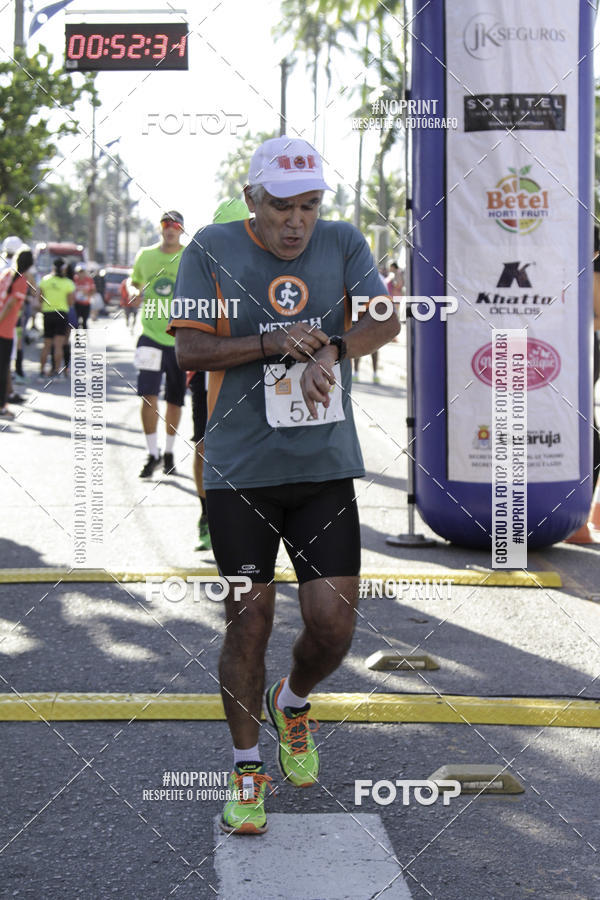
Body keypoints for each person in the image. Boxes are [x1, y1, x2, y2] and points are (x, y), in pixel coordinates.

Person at [170, 136, 399, 835]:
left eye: (308, 206)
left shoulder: (343, 242)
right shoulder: (208, 247)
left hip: (324, 467)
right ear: (252, 201)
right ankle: (246, 768)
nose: (296, 221)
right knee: (250, 620)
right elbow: (190, 349)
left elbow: (385, 318)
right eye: (281, 207)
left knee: (333, 627)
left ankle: (292, 702)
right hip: (240, 473)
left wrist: (332, 344)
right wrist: (276, 341)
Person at [190, 197, 250, 551]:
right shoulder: (200, 267)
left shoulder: (268, 264)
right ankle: (206, 513)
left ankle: (248, 519)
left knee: (251, 445)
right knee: (204, 444)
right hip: (208, 373)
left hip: (255, 370)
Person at [130, 210, 186, 478]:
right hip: (150, 335)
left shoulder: (189, 255)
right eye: (166, 224)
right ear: (160, 228)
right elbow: (134, 283)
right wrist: (133, 293)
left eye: (175, 225)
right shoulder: (146, 255)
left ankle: (169, 452)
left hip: (179, 338)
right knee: (148, 395)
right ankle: (152, 453)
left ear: (182, 229)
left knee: (174, 399)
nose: (170, 229)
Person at [0, 246, 34, 418]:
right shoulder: (21, 279)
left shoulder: (6, 274)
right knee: (3, 368)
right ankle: (2, 408)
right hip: (4, 330)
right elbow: (11, 303)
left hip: (6, 328)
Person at [38, 258, 75, 379]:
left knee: (46, 344)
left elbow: (40, 298)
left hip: (47, 314)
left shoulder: (45, 280)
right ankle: (56, 371)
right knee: (58, 345)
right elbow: (70, 302)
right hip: (61, 314)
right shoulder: (68, 283)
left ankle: (42, 371)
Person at [73, 264, 95, 328]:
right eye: (79, 271)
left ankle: (84, 337)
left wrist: (87, 294)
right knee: (76, 322)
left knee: (84, 323)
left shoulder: (89, 280)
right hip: (76, 304)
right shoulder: (74, 279)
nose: (81, 273)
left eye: (82, 271)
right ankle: (77, 337)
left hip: (86, 304)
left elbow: (93, 291)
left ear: (85, 272)